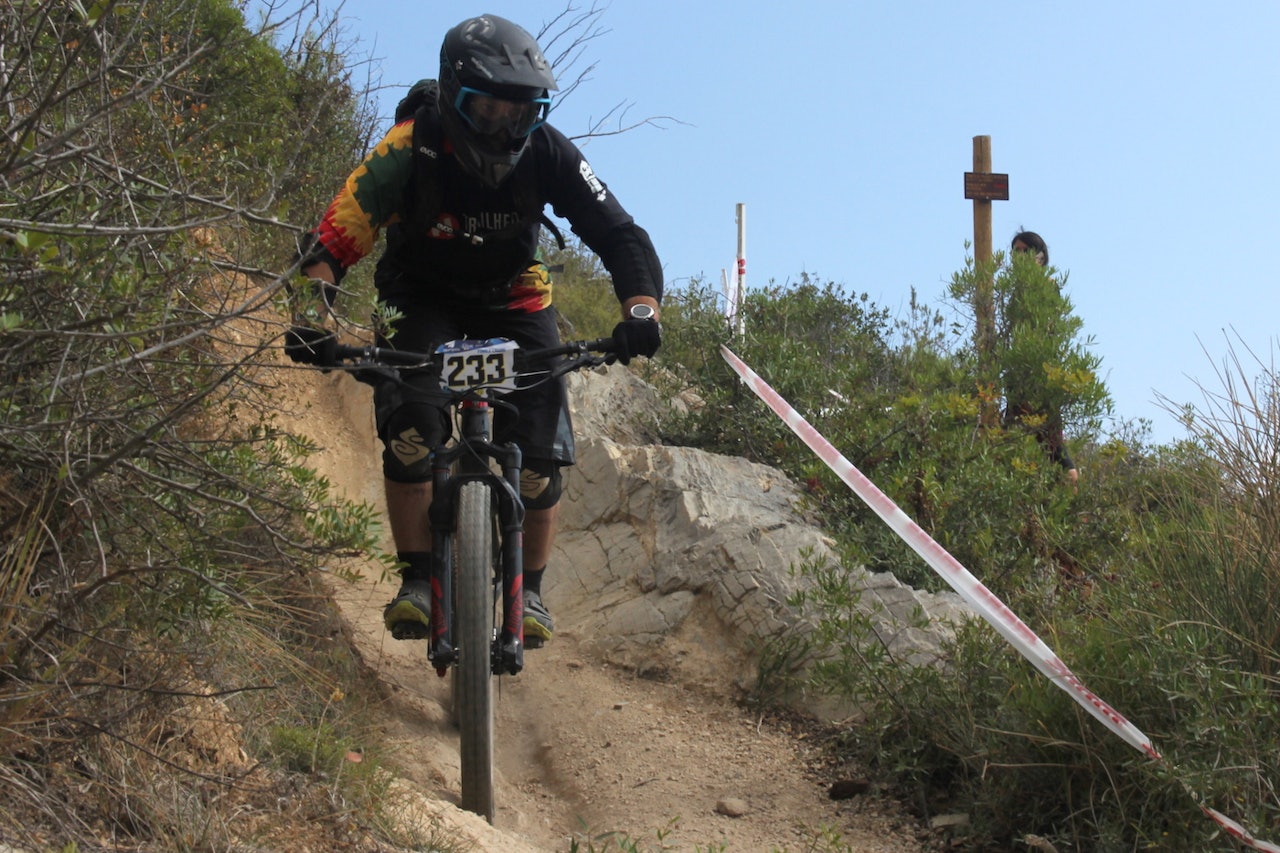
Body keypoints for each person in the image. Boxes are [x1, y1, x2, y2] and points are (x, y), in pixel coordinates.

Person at [284, 14, 664, 647]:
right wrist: (310, 316)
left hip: (514, 300)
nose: (504, 126)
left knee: (539, 459)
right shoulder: (406, 149)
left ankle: (531, 594)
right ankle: (415, 580)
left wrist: (641, 311)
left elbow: (619, 234)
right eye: (486, 111)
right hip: (420, 297)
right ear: (452, 96)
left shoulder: (549, 152)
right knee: (411, 431)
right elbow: (333, 236)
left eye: (521, 113)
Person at [1005, 230, 1079, 485]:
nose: (1020, 256)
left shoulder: (1046, 287)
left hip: (1039, 377)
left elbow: (1048, 331)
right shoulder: (1015, 291)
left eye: (1026, 251)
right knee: (1011, 442)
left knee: (1053, 447)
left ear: (1040, 256)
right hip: (1018, 379)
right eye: (1016, 251)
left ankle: (1070, 510)